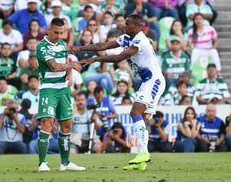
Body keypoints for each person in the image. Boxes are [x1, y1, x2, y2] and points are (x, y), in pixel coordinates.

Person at [70, 14, 166, 171]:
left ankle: (143, 154)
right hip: (147, 81)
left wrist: (95, 60)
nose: (124, 26)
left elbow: (119, 57)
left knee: (135, 112)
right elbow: (103, 46)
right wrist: (80, 48)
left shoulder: (140, 41)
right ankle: (142, 159)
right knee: (143, 117)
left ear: (137, 26)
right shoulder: (126, 37)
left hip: (154, 81)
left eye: (128, 24)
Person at [36, 17, 85, 172]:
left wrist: (70, 74)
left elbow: (65, 61)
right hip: (49, 89)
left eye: (61, 33)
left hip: (63, 89)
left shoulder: (63, 44)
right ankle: (42, 163)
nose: (58, 36)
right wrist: (73, 65)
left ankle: (65, 162)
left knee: (66, 124)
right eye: (56, 32)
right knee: (47, 122)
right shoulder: (42, 47)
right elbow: (55, 66)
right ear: (49, 30)